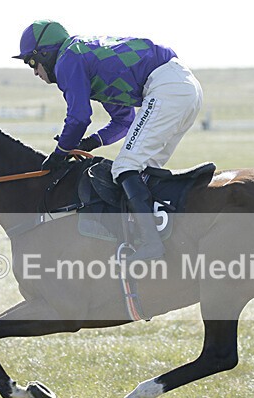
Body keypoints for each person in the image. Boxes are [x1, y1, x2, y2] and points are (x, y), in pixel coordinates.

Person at [13, 20, 203, 262]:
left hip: (168, 87)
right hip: (184, 88)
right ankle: (160, 236)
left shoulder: (67, 59)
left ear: (46, 54)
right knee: (143, 171)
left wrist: (60, 152)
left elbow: (79, 117)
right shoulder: (89, 60)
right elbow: (123, 122)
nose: (35, 72)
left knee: (125, 166)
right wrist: (89, 143)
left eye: (32, 62)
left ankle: (152, 244)